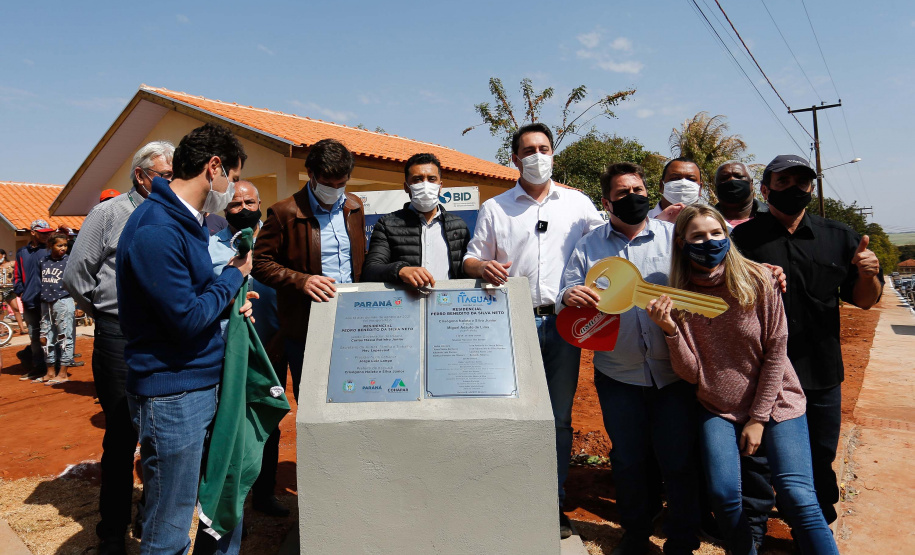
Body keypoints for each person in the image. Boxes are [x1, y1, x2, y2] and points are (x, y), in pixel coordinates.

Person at [647, 204, 839, 555]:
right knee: (723, 494)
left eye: (716, 233)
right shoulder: (680, 297)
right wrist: (671, 331)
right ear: (682, 244)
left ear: (727, 234)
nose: (709, 241)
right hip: (718, 406)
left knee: (797, 496)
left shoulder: (758, 280)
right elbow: (691, 373)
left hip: (777, 401)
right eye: (698, 236)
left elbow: (776, 351)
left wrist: (758, 419)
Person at [463, 123, 605, 539]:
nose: (537, 156)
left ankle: (553, 503)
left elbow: (606, 247)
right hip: (511, 323)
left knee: (558, 418)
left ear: (553, 154)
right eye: (529, 150)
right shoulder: (496, 207)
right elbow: (472, 260)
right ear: (515, 158)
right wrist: (481, 267)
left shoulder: (579, 205)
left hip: (565, 323)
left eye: (544, 148)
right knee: (509, 412)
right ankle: (509, 495)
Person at [117, 123, 254, 554]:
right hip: (173, 393)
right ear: (213, 168)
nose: (231, 190)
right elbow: (185, 318)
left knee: (219, 505)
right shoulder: (156, 227)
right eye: (231, 177)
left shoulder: (189, 220)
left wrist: (232, 302)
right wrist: (233, 276)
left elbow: (195, 301)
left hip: (203, 379)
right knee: (170, 525)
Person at [732, 155, 883, 526]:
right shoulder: (742, 239)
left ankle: (817, 521)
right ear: (765, 190)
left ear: (812, 188)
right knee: (759, 454)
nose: (794, 189)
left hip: (820, 369)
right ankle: (754, 524)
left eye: (802, 182)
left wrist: (868, 274)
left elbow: (864, 300)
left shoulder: (840, 237)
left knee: (819, 452)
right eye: (783, 182)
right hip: (762, 372)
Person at [558, 162, 700, 554]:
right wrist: (570, 297)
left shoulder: (674, 238)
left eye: (638, 190)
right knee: (629, 460)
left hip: (673, 373)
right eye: (623, 193)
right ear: (607, 203)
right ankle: (635, 535)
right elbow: (566, 296)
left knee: (678, 458)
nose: (634, 197)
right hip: (617, 374)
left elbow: (715, 273)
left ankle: (682, 538)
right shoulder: (589, 246)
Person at [63, 140, 174, 554]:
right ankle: (112, 529)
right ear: (142, 175)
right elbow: (77, 274)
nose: (171, 182)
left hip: (165, 337)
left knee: (160, 434)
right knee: (122, 434)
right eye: (165, 175)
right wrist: (109, 313)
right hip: (119, 337)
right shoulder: (108, 213)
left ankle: (151, 516)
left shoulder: (174, 212)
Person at [252, 138, 366, 401]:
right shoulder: (284, 212)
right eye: (328, 184)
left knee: (353, 394)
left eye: (342, 184)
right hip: (306, 325)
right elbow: (260, 263)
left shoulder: (354, 206)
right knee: (313, 400)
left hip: (352, 322)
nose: (336, 190)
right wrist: (301, 280)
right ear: (312, 175)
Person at [207, 180, 288, 519]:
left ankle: (264, 493)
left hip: (273, 346)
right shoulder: (210, 247)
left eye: (249, 202)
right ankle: (227, 496)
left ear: (260, 203)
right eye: (235, 204)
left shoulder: (276, 242)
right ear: (225, 209)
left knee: (267, 416)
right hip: (230, 349)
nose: (243, 209)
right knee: (226, 420)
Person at [363, 153, 470, 286]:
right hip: (406, 303)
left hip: (446, 302)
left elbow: (465, 271)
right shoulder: (387, 225)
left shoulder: (458, 226)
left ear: (440, 186)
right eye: (418, 179)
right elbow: (371, 270)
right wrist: (400, 270)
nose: (425, 185)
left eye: (431, 179)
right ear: (406, 187)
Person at [13, 219, 54, 380]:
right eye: (42, 233)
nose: (46, 236)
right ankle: (38, 366)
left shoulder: (50, 251)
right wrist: (20, 291)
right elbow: (17, 274)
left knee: (50, 334)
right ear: (33, 232)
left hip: (48, 300)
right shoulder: (22, 252)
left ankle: (53, 365)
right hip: (29, 301)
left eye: (47, 233)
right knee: (34, 335)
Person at [34, 233, 76, 384]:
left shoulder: (69, 261)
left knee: (64, 337)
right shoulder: (43, 261)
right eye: (60, 245)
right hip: (46, 302)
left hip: (63, 301)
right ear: (51, 246)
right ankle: (50, 372)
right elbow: (39, 281)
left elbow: (75, 281)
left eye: (65, 245)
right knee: (45, 338)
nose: (63, 248)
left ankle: (63, 373)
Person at [713, 161, 768, 229]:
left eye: (738, 176)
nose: (732, 180)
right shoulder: (704, 220)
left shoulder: (772, 216)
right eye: (724, 178)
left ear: (751, 184)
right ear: (716, 187)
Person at [648, 157, 703, 221]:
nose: (683, 184)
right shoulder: (641, 223)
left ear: (700, 189)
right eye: (675, 178)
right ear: (661, 186)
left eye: (691, 179)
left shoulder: (711, 224)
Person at [0, 249, 28, 335]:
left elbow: (21, 268)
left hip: (10, 289)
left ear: (3, 255)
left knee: (16, 309)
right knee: (0, 310)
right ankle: (2, 330)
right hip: (0, 290)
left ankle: (22, 328)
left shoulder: (12, 263)